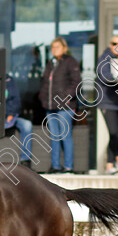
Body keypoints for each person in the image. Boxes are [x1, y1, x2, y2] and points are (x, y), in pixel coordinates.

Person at [39, 37, 81, 174]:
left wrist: (66, 98)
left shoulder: (70, 62)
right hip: (50, 106)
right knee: (54, 136)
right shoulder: (51, 63)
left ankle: (68, 166)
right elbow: (45, 83)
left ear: (64, 48)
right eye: (53, 47)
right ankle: (55, 165)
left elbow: (76, 82)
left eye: (57, 47)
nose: (54, 50)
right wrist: (42, 98)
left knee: (65, 136)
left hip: (65, 107)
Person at [97, 35, 118, 174]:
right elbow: (105, 76)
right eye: (114, 43)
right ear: (110, 45)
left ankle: (110, 163)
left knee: (116, 133)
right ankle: (117, 158)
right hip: (108, 102)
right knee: (113, 132)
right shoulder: (104, 59)